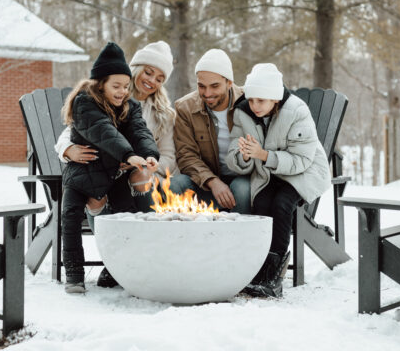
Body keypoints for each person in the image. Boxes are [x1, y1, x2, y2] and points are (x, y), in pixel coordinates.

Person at [55, 41, 178, 288]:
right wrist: (68, 150)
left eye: (160, 77)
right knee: (90, 200)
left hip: (134, 174)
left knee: (137, 190)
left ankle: (137, 263)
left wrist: (145, 162)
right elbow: (84, 132)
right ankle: (103, 268)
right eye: (148, 71)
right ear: (135, 69)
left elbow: (158, 148)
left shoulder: (158, 112)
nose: (152, 80)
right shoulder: (95, 100)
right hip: (93, 171)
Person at [226, 63, 331, 298]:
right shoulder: (244, 112)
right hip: (270, 172)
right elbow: (235, 150)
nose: (255, 106)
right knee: (262, 204)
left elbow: (302, 159)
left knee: (282, 204)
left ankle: (274, 277)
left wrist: (263, 155)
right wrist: (242, 154)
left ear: (275, 98)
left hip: (304, 172)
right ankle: (260, 269)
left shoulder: (297, 111)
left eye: (261, 101)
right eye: (251, 100)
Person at [171, 49, 251, 214]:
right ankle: (185, 237)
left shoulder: (250, 102)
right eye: (201, 86)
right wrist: (212, 181)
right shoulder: (185, 108)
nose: (207, 94)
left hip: (243, 178)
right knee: (175, 184)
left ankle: (239, 238)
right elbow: (186, 156)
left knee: (241, 189)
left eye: (214, 86)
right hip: (205, 181)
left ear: (229, 83)